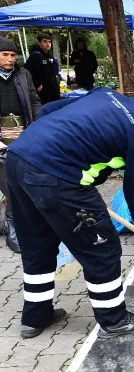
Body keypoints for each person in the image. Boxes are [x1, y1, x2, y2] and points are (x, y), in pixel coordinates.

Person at [7, 86, 134, 339]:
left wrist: (47, 144)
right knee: (102, 247)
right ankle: (114, 319)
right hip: (58, 177)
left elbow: (50, 110)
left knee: (37, 243)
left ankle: (35, 317)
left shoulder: (108, 95)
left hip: (18, 159)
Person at [0, 37, 42, 254]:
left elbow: (34, 99)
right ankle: (12, 224)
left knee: (25, 174)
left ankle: (31, 220)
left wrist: (39, 122)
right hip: (0, 134)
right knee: (6, 179)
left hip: (23, 132)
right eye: (5, 54)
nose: (10, 59)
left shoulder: (23, 74)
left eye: (13, 55)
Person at [25, 33, 60, 105]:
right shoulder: (36, 55)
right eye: (45, 41)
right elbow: (29, 71)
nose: (48, 44)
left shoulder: (50, 55)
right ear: (39, 43)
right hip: (43, 90)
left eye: (49, 42)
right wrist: (37, 85)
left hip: (53, 88)